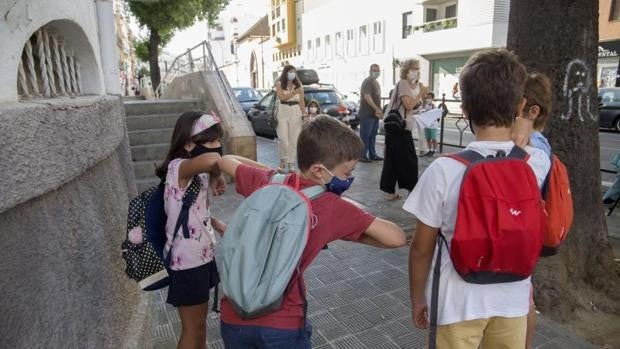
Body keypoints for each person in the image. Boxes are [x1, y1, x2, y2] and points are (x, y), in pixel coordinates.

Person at [217, 115, 407, 348]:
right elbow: (396, 238)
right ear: (319, 170)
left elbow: (226, 160)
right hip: (282, 322)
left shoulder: (266, 181)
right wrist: (352, 234)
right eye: (347, 173)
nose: (349, 179)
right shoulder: (332, 207)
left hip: (232, 316)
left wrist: (272, 173)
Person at [405, 49, 550, 349]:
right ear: (521, 104)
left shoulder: (444, 169)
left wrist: (418, 297)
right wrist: (523, 123)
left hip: (456, 303)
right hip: (513, 299)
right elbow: (531, 141)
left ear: (466, 109)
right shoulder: (535, 162)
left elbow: (421, 248)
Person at [155, 111, 228, 349]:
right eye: (210, 141)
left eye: (219, 141)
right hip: (186, 261)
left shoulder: (201, 174)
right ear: (187, 144)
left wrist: (216, 224)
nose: (217, 147)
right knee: (191, 328)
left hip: (203, 255)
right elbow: (210, 161)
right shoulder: (179, 168)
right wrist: (220, 169)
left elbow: (196, 211)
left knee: (200, 325)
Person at [511, 72, 553, 349]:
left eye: (513, 105)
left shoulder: (533, 146)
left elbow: (516, 190)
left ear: (531, 110)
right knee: (524, 295)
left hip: (519, 230)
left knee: (523, 298)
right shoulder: (535, 142)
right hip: (523, 228)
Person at [380, 59, 426, 201]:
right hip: (400, 128)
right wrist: (421, 93)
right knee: (409, 160)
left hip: (396, 127)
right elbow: (407, 105)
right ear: (406, 70)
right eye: (413, 68)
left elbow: (412, 106)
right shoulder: (404, 83)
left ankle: (390, 192)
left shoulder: (410, 85)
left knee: (392, 160)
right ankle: (412, 192)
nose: (416, 71)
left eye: (417, 68)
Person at [275, 65, 306, 173]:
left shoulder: (299, 85)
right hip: (283, 110)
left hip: (295, 111)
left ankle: (291, 163)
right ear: (286, 72)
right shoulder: (279, 83)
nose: (292, 73)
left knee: (294, 139)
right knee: (283, 139)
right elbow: (282, 97)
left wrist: (304, 113)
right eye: (290, 71)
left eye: (294, 71)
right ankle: (283, 160)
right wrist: (294, 92)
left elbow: (302, 101)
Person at [358, 64, 384, 162]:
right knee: (365, 136)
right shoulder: (367, 82)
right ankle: (362, 155)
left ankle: (372, 154)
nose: (376, 72)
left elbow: (377, 98)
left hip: (374, 115)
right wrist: (376, 108)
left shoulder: (376, 83)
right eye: (374, 70)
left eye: (378, 70)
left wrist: (379, 110)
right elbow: (367, 96)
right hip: (367, 114)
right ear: (370, 71)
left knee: (373, 135)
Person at [421, 92, 439, 157]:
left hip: (433, 125)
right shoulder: (425, 106)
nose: (427, 99)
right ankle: (430, 150)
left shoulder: (434, 106)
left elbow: (436, 116)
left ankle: (434, 150)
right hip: (426, 124)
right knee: (428, 138)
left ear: (432, 99)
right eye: (427, 98)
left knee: (433, 138)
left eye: (429, 98)